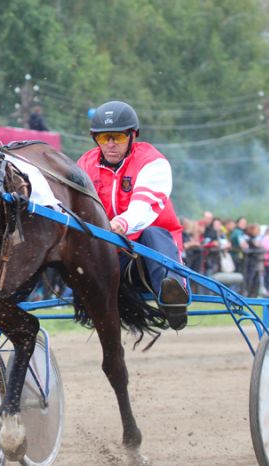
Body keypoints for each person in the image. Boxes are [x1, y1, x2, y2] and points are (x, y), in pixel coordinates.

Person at [76, 100, 188, 330]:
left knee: (152, 233)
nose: (110, 144)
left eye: (117, 137)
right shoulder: (84, 165)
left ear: (132, 136)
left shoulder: (152, 162)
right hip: (110, 256)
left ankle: (173, 296)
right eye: (103, 137)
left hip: (148, 255)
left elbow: (143, 207)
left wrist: (120, 223)